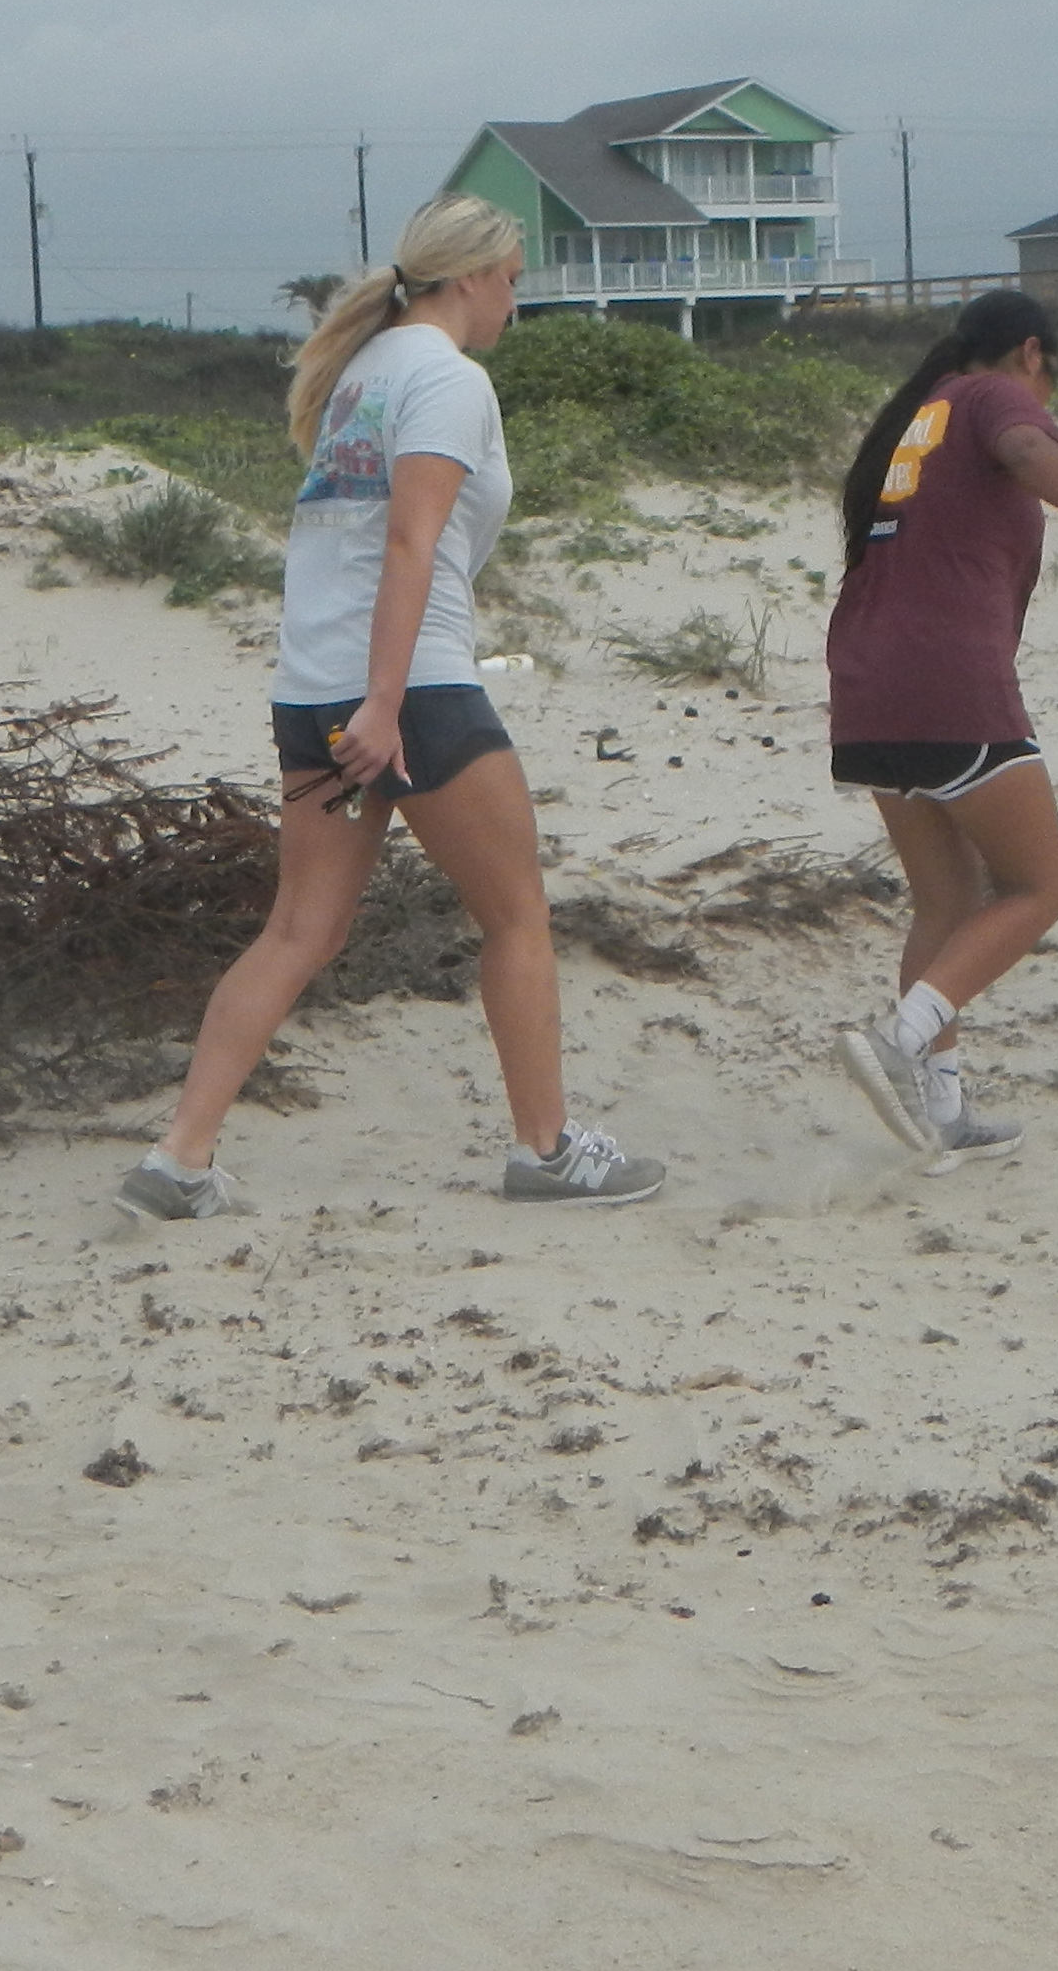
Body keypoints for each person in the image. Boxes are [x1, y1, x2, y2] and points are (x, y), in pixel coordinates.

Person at [119, 194, 663, 1219]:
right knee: (517, 915)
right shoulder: (447, 380)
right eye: (510, 279)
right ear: (469, 279)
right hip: (408, 692)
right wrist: (384, 705)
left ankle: (178, 1162)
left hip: (313, 688)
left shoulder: (360, 375)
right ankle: (546, 1152)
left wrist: (359, 703)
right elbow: (410, 543)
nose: (515, 299)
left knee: (298, 931)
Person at [817, 289, 1058, 1161]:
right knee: (1039, 886)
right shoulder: (988, 395)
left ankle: (942, 1114)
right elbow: (1025, 444)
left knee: (947, 902)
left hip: (868, 683)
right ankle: (897, 1040)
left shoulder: (920, 415)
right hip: (945, 681)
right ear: (1031, 353)